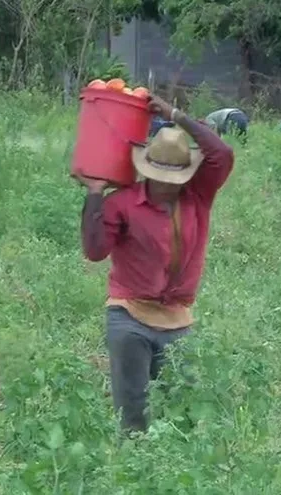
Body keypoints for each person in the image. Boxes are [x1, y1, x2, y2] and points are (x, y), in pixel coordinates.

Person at [74, 95, 235, 434]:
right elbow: (95, 251)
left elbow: (221, 154)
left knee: (182, 413)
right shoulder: (122, 203)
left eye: (173, 177)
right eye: (159, 176)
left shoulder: (198, 196)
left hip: (178, 319)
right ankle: (130, 465)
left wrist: (176, 115)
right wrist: (94, 195)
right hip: (130, 316)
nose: (166, 184)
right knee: (133, 415)